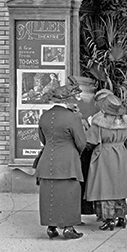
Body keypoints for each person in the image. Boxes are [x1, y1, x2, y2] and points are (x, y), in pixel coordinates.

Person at [35, 83, 87, 240]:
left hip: (46, 162)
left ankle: (51, 228)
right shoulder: (72, 117)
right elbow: (81, 142)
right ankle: (68, 228)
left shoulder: (44, 116)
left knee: (49, 194)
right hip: (67, 162)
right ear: (68, 100)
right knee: (69, 193)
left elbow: (43, 139)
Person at [84, 89, 127, 231]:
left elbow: (90, 140)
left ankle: (108, 218)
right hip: (121, 154)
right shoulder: (126, 122)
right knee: (118, 186)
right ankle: (122, 216)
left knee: (104, 187)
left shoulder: (99, 122)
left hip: (104, 155)